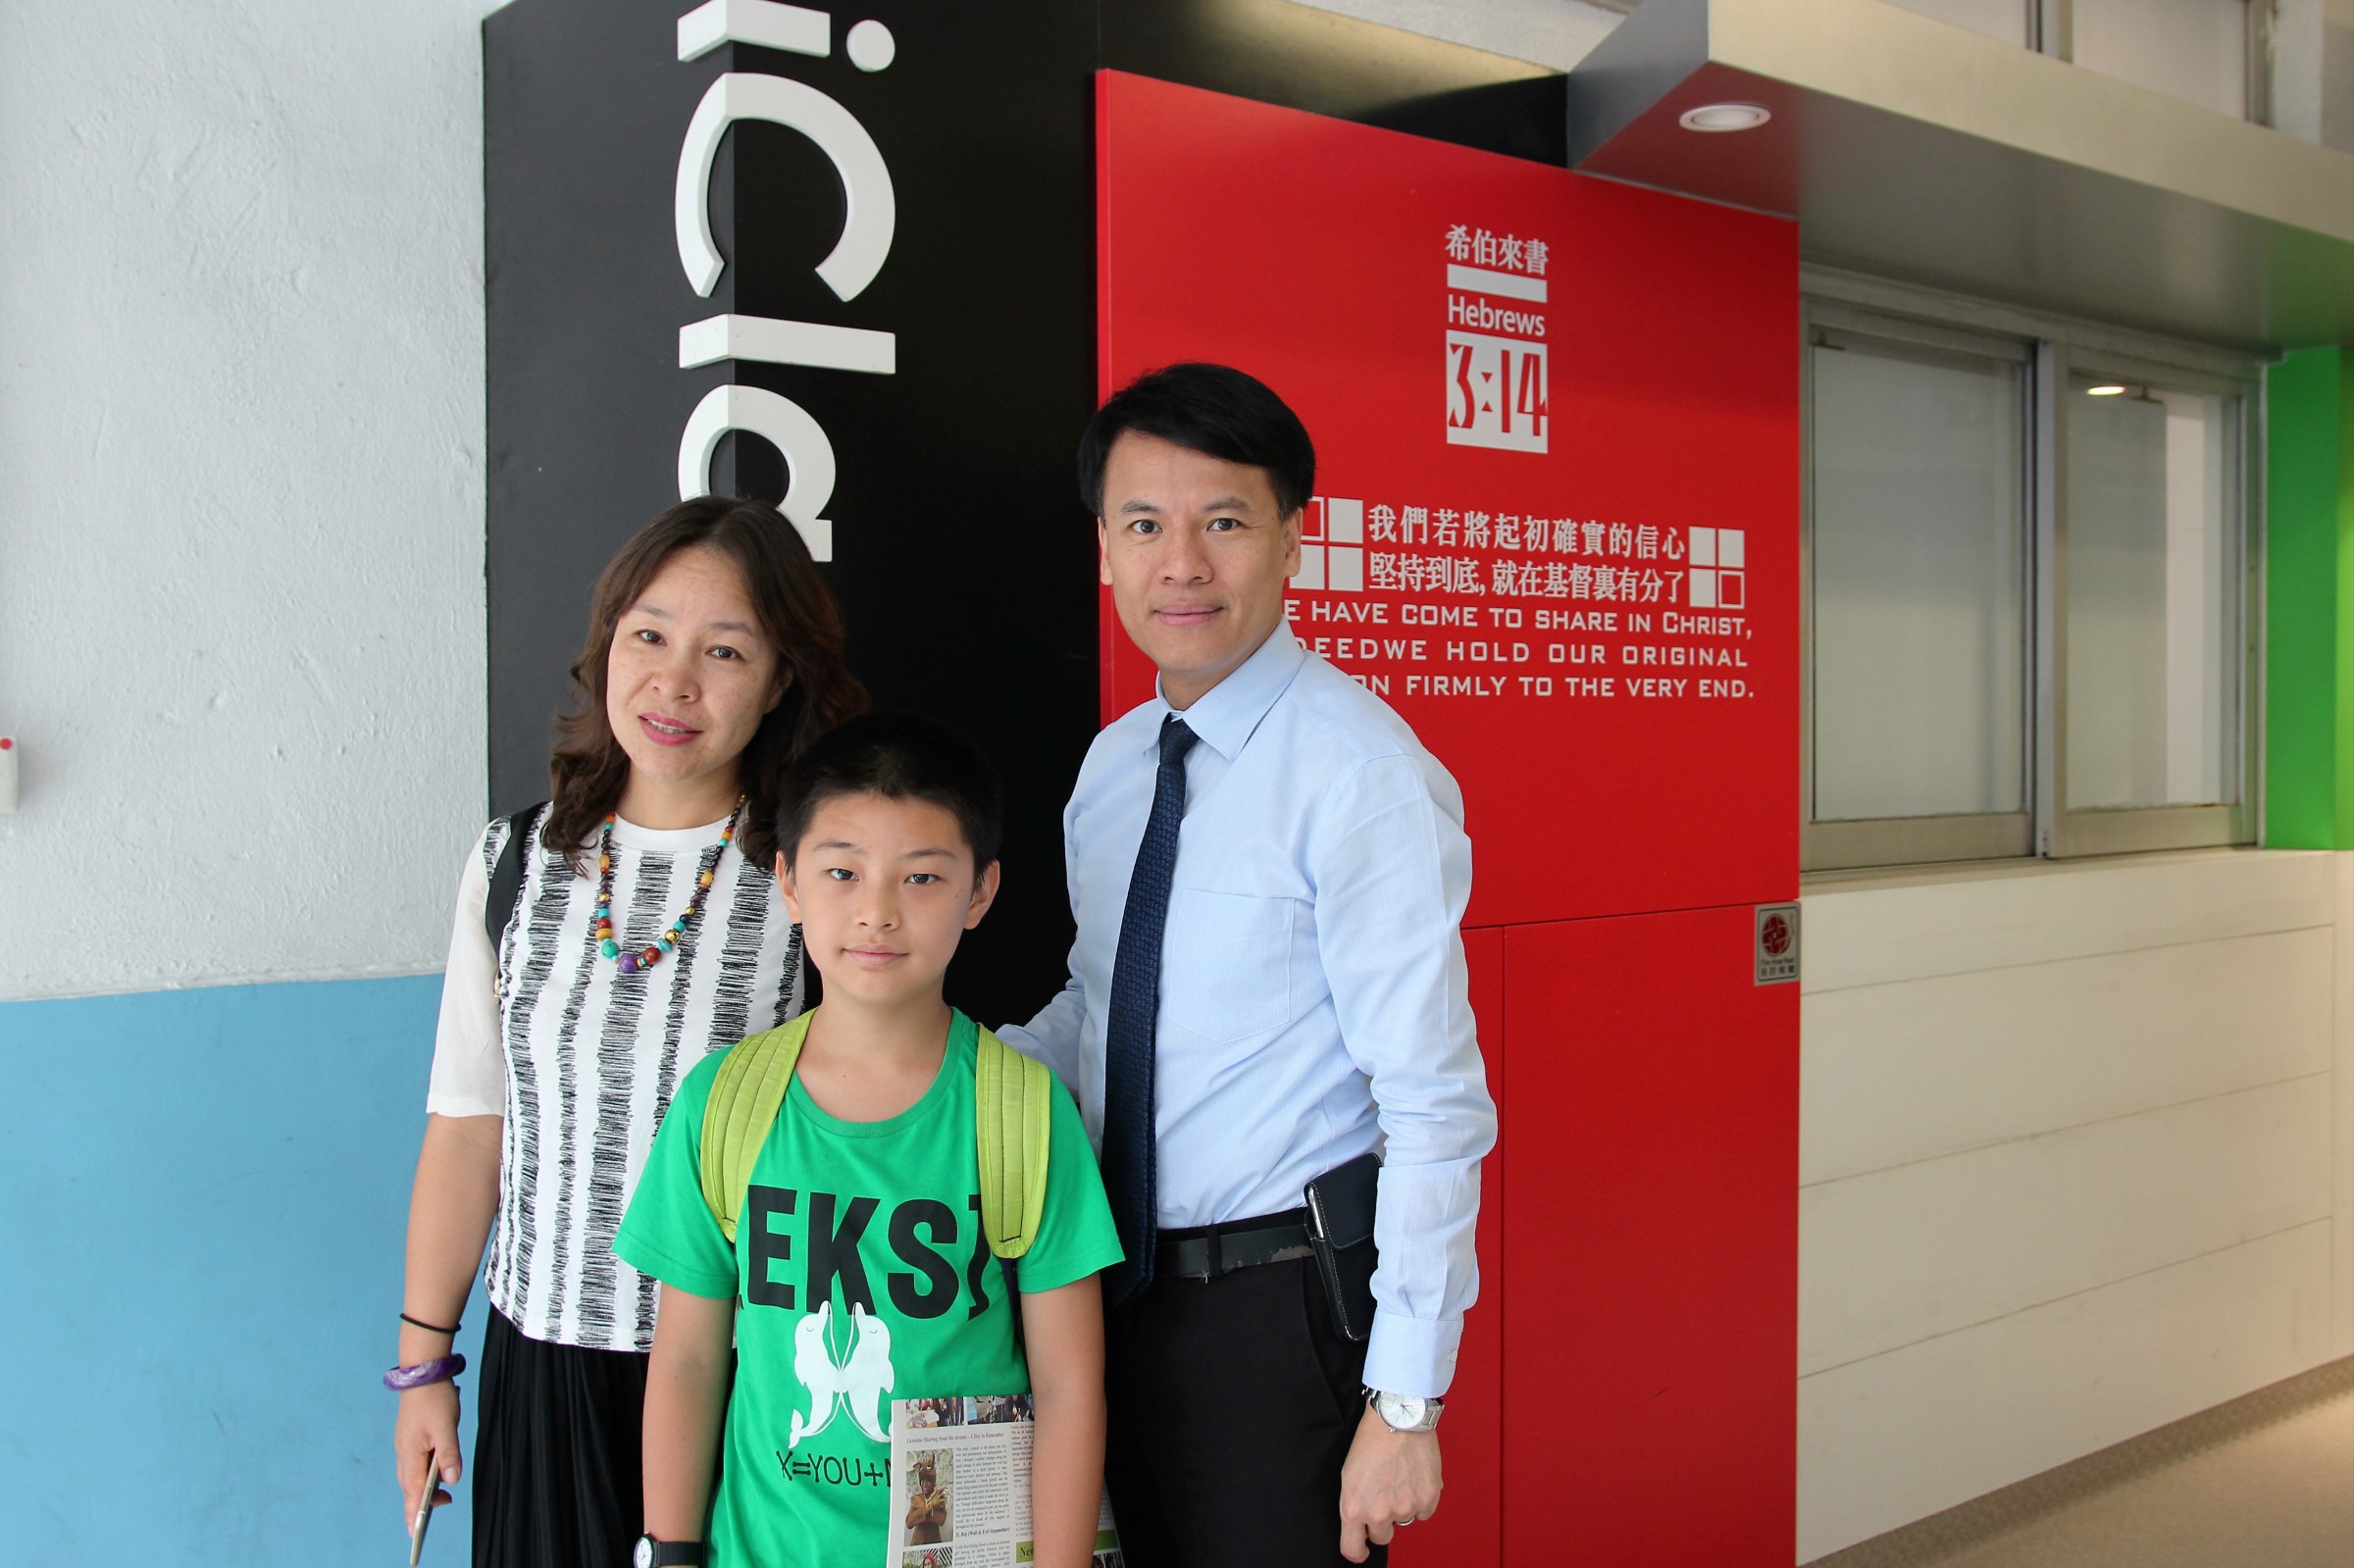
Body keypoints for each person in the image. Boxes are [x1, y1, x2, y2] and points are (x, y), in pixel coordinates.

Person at [1000, 363, 1496, 1567]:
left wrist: (1406, 1404)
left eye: (1223, 522)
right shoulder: (1115, 769)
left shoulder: (1360, 774)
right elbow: (1101, 1002)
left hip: (1278, 1316)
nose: (1182, 564)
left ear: (1292, 540)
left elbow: (1432, 1105)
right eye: (1144, 526)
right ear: (1105, 551)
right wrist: (948, 1081)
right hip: (1106, 1291)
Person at [391, 496, 866, 1568]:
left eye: (725, 651)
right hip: (544, 1361)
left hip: (749, 1377)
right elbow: (469, 1127)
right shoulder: (514, 862)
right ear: (607, 643)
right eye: (648, 635)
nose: (674, 682)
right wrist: (424, 1367)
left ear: (780, 680)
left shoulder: (819, 877)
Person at [615, 713, 1124, 1567]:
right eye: (842, 872)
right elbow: (689, 1360)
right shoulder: (724, 1102)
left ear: (980, 891)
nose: (878, 912)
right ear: (789, 881)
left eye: (921, 877)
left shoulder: (1026, 1111)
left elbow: (1070, 1388)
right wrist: (670, 1554)